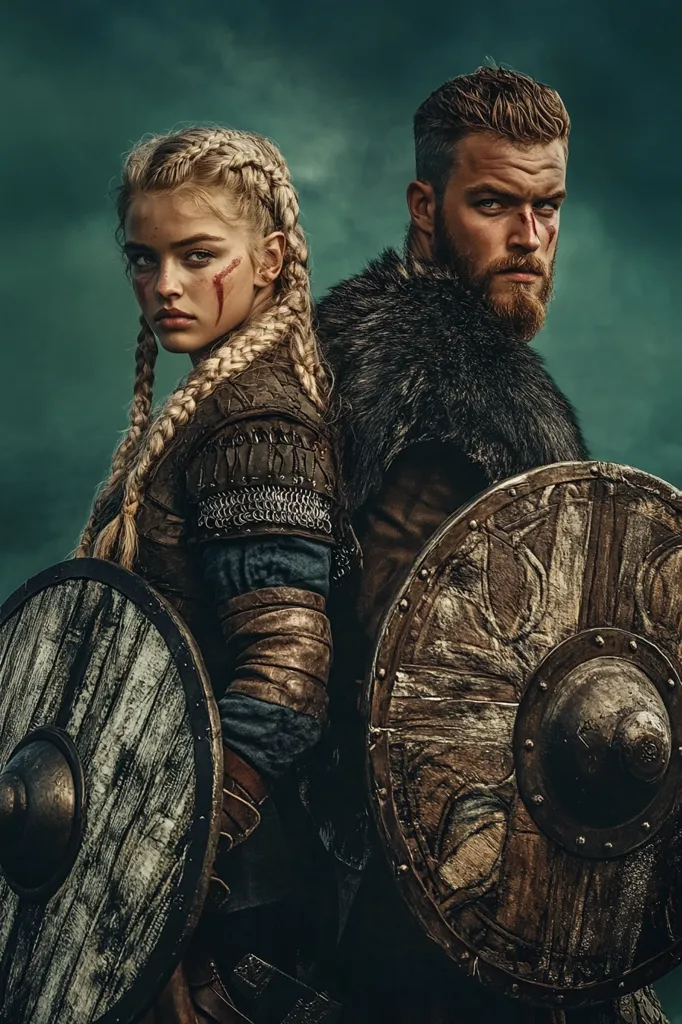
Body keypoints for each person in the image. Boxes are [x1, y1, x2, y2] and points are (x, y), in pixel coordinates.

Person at [311, 66, 668, 1023]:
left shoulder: (463, 378)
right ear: (424, 207)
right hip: (400, 887)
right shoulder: (412, 379)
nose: (530, 237)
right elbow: (390, 665)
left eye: (548, 207)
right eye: (495, 204)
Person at [76, 126, 344, 1023]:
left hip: (227, 906)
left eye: (197, 256)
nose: (165, 285)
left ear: (270, 261)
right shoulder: (205, 411)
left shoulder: (255, 425)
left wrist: (165, 872)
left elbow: (285, 681)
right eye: (143, 259)